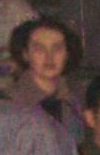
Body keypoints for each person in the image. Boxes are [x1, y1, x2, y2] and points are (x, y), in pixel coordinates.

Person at [6, 17, 86, 146]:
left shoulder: (76, 99)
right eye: (39, 49)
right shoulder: (9, 103)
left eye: (57, 48)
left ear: (67, 54)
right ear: (26, 54)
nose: (49, 57)